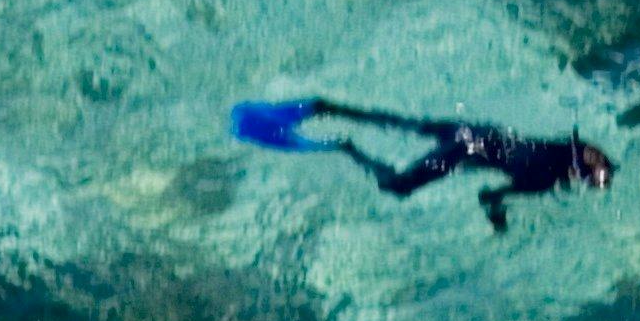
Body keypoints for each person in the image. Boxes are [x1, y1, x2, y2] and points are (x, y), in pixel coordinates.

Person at [231, 98, 615, 230]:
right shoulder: (544, 181)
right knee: (397, 187)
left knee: (399, 125)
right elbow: (488, 196)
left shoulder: (563, 147)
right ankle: (345, 148)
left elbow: (588, 154)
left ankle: (327, 107)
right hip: (464, 150)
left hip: (475, 130)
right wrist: (499, 223)